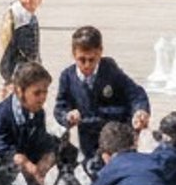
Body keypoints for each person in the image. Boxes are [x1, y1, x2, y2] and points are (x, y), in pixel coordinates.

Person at [55, 26, 151, 162]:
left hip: (117, 138)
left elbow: (135, 93)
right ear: (73, 54)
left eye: (92, 59)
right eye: (82, 60)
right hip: (89, 140)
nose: (87, 65)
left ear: (100, 52)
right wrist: (67, 116)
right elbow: (60, 106)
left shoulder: (110, 70)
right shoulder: (67, 77)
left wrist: (140, 111)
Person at [0, 0, 45, 87]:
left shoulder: (25, 14)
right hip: (21, 77)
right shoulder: (21, 18)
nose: (31, 0)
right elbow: (28, 53)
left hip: (24, 75)